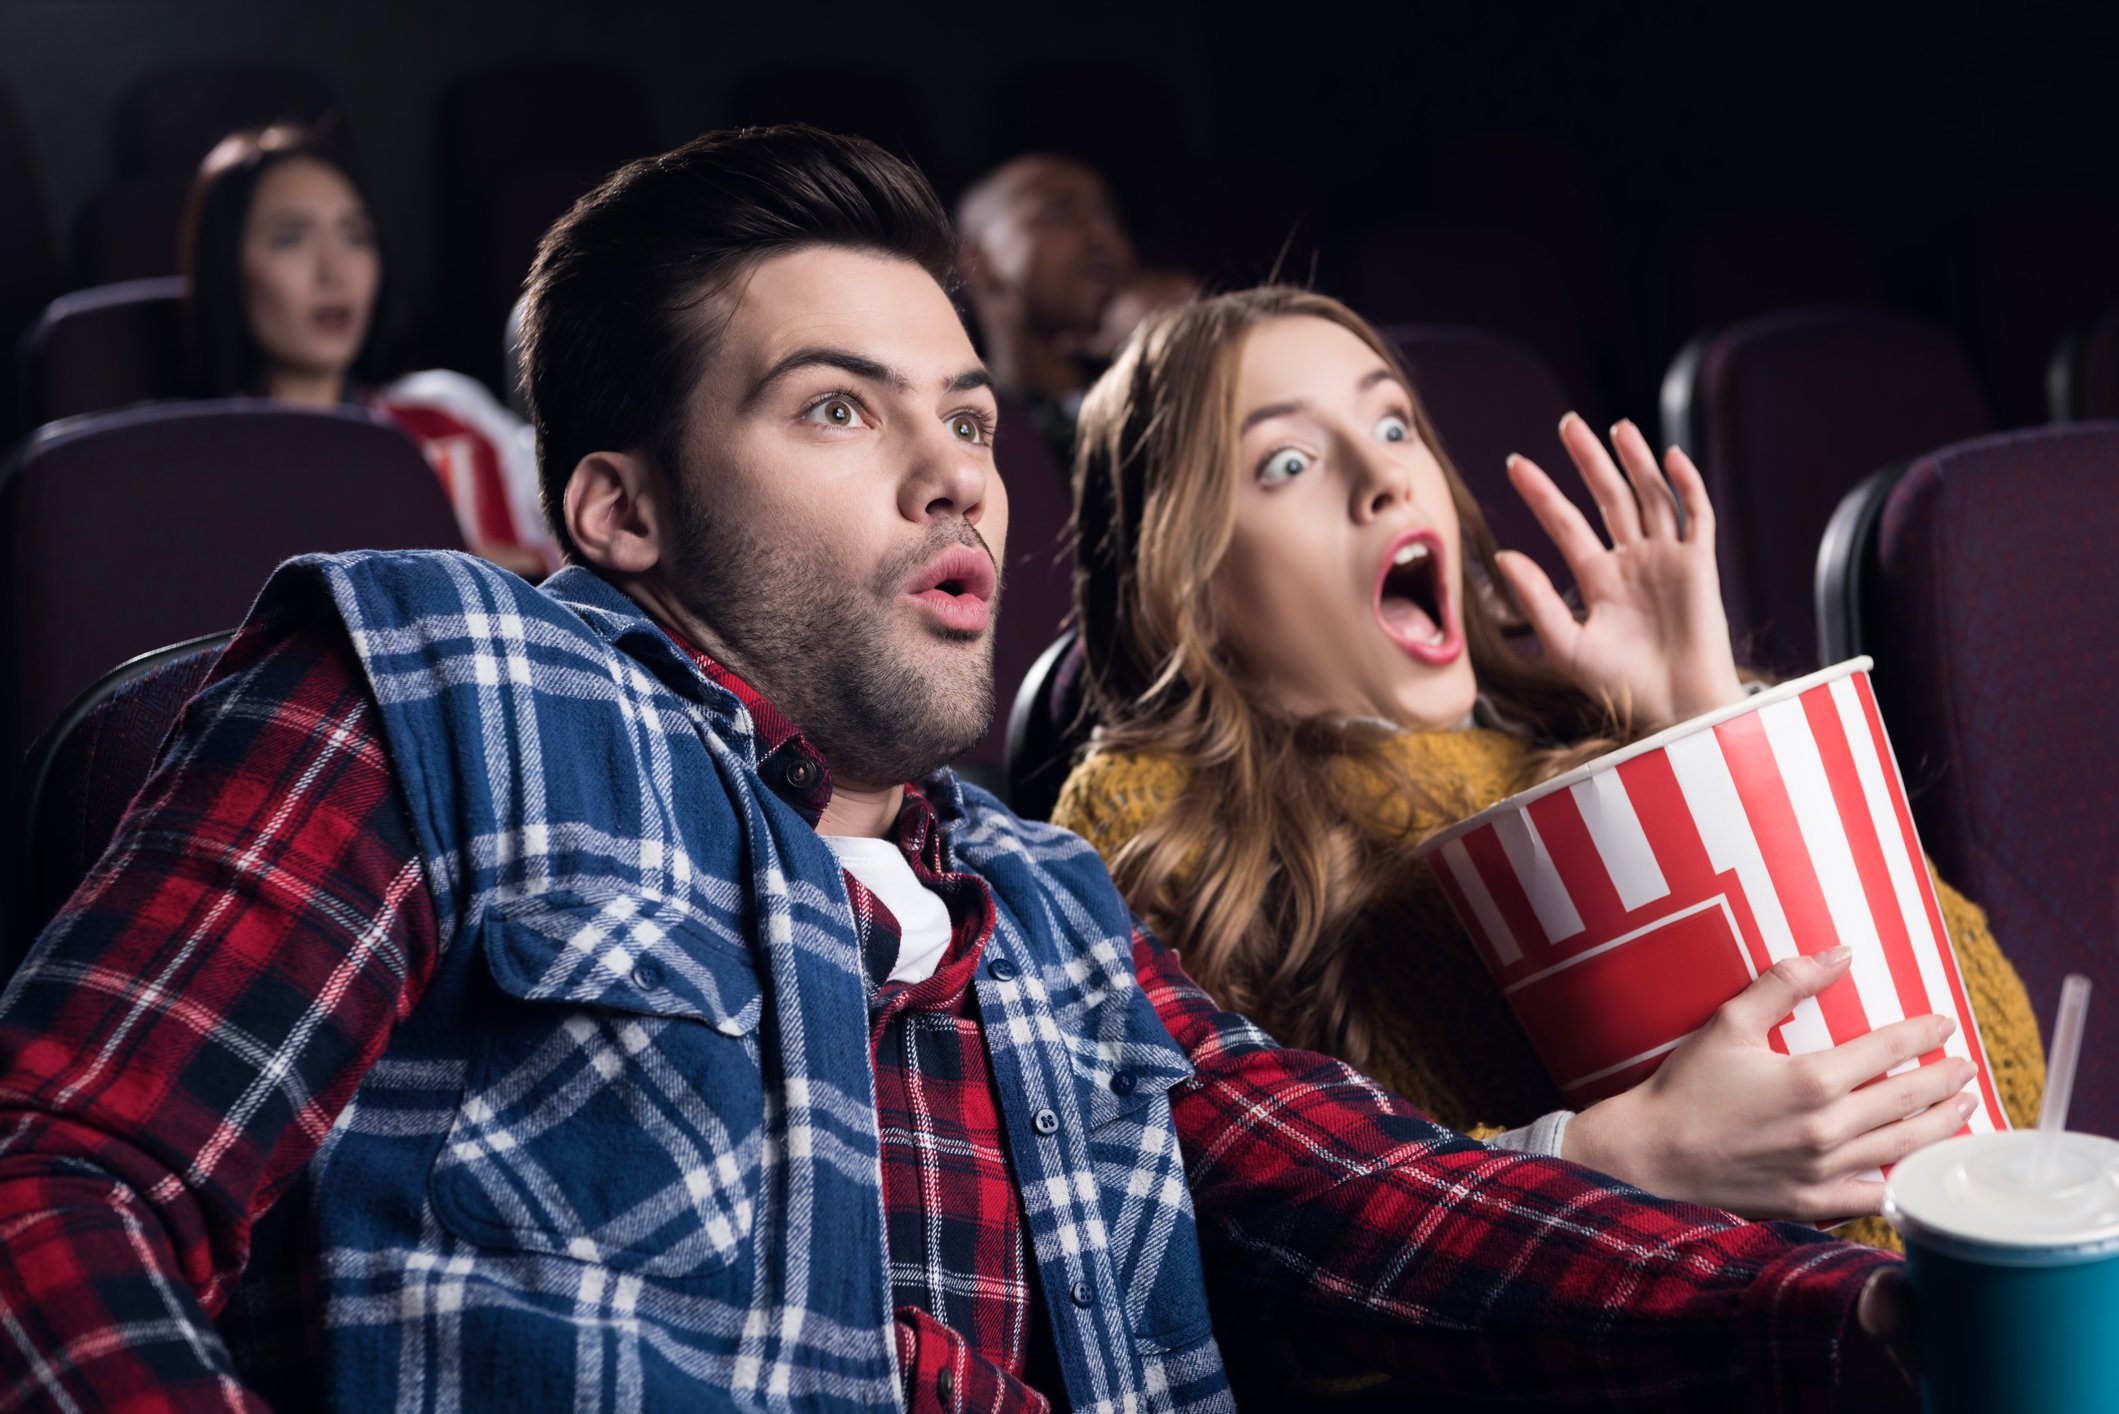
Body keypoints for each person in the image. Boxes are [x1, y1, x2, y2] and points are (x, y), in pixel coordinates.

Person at [0, 126, 1920, 1411]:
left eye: (968, 415)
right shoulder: (437, 679)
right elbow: (55, 1186)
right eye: (835, 406)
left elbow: (1376, 1200)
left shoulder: (1052, 907)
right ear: (620, 506)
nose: (950, 472)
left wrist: (1853, 1317)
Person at [1054, 286, 2042, 1248]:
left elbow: (2000, 1063)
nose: (1383, 476)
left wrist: (1695, 719)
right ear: (1181, 572)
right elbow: (1224, 1240)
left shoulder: (1592, 738)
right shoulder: (1154, 809)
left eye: (1393, 426)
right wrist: (1613, 1160)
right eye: (1286, 460)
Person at [180, 123, 558, 578]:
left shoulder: (450, 414)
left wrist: (517, 570)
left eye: (355, 236)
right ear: (227, 270)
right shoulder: (188, 467)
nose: (333, 272)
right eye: (290, 239)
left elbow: (596, 558)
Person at [956, 153, 1194, 468]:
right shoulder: (959, 430)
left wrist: (1190, 345)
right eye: (1059, 211)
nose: (1102, 232)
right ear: (981, 260)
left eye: (1111, 216)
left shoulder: (1159, 394)